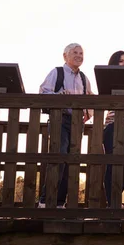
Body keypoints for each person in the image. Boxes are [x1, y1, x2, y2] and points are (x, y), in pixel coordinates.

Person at [38, 43, 94, 208]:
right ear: (65, 56)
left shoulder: (84, 78)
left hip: (77, 123)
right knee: (58, 157)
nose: (79, 56)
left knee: (71, 161)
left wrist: (86, 115)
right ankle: (44, 201)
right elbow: (43, 92)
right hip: (59, 120)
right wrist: (59, 96)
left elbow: (91, 100)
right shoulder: (57, 72)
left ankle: (60, 202)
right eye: (74, 52)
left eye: (81, 53)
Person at [103, 51, 124, 207]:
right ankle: (112, 202)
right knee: (113, 163)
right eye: (121, 61)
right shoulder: (110, 79)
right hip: (113, 125)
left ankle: (115, 199)